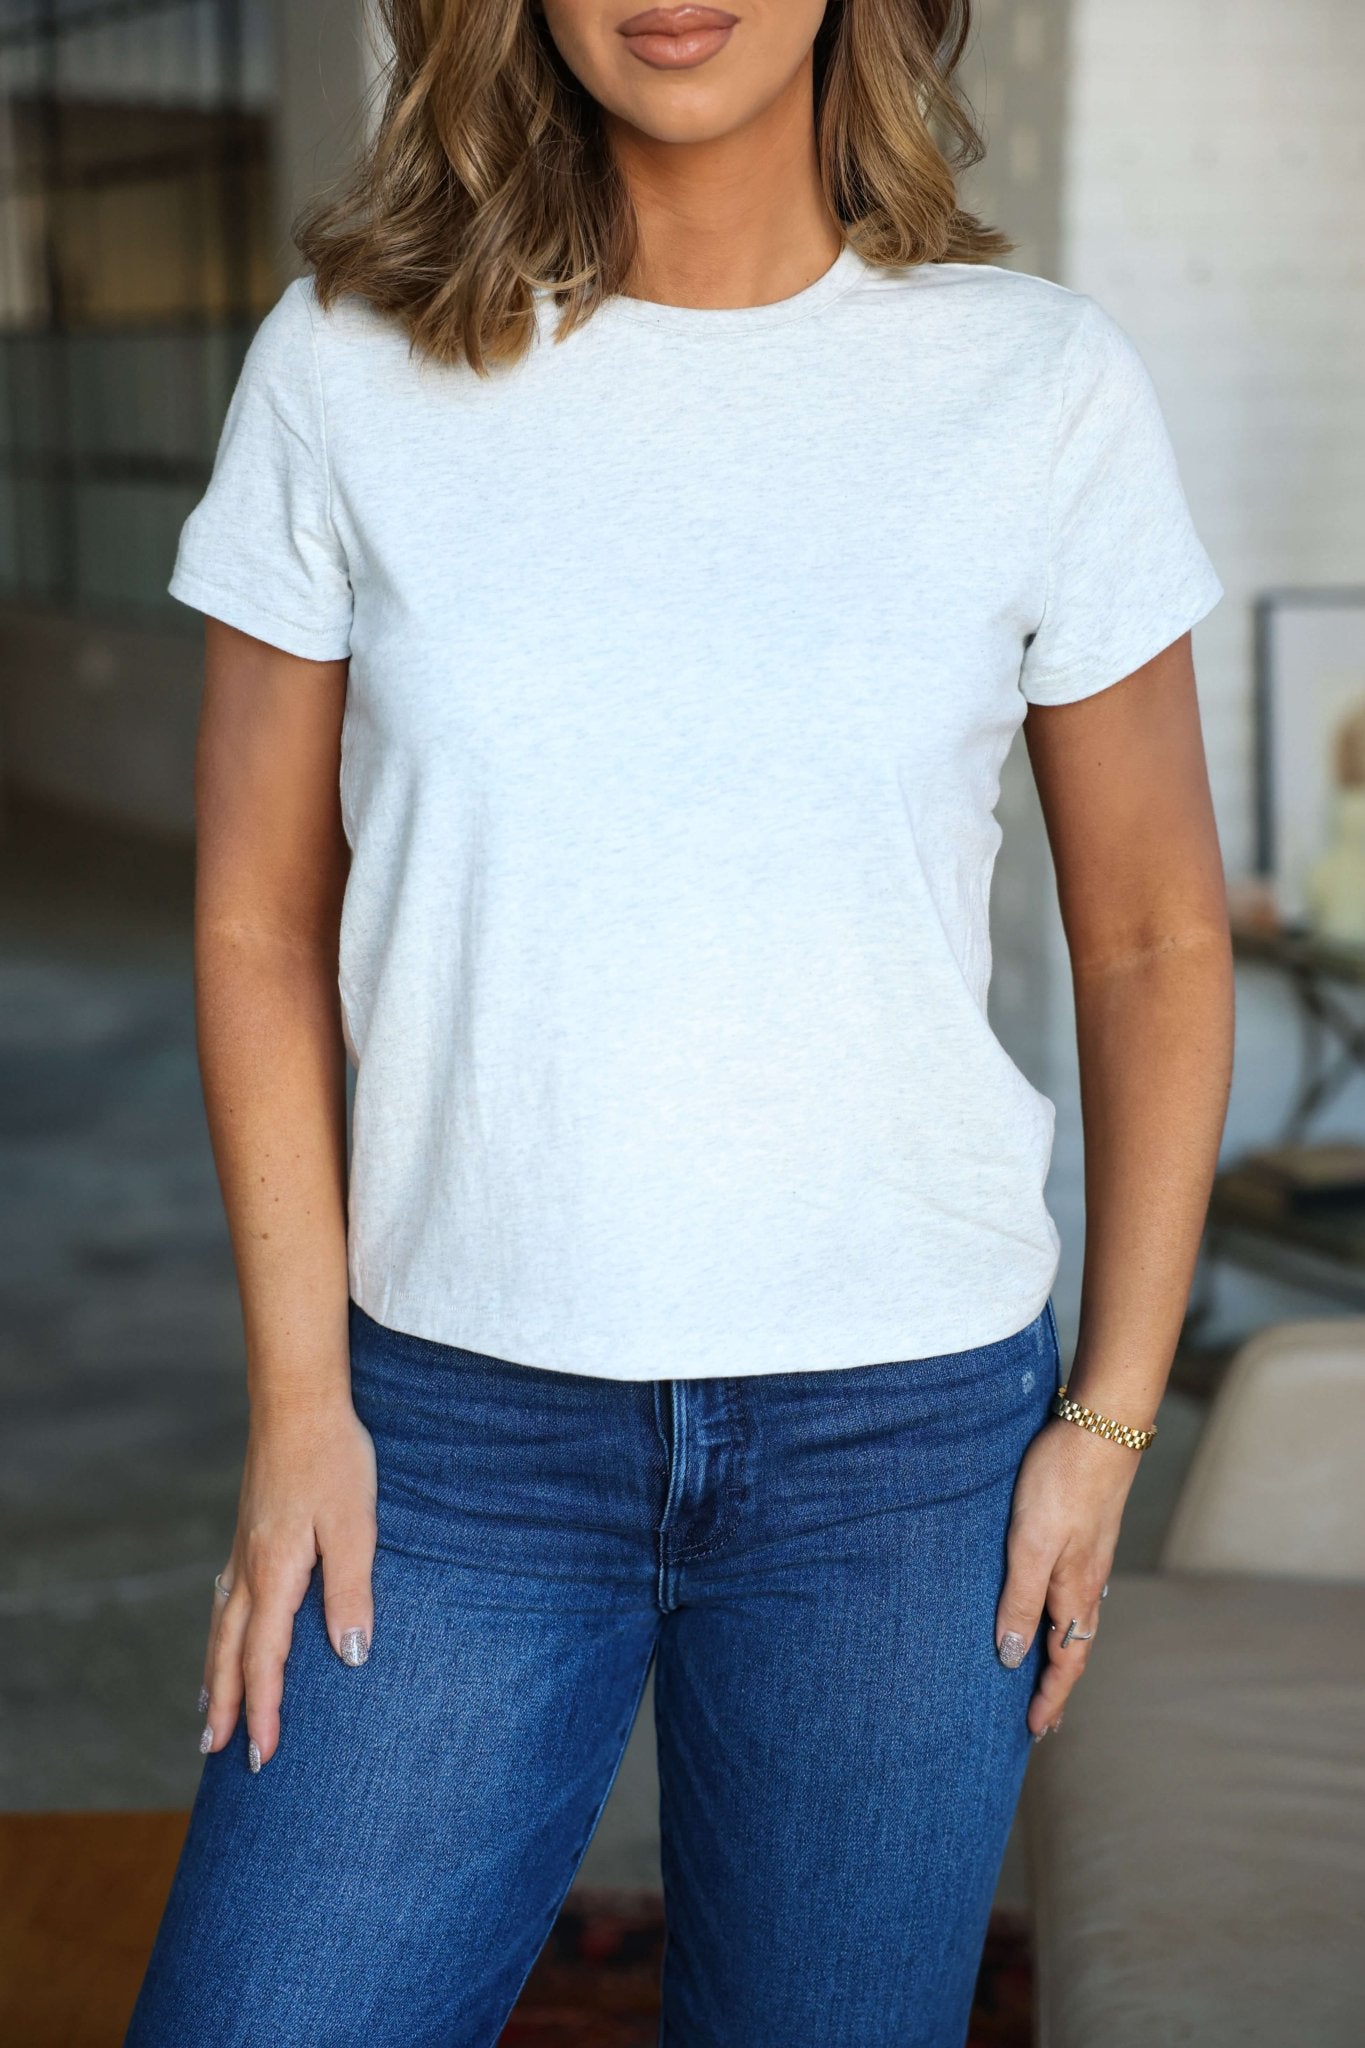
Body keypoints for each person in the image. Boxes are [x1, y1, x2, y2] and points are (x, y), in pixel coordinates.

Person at [125, 2, 1234, 2043]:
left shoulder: (1032, 386)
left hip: (899, 1455)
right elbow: (255, 917)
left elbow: (1157, 936)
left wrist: (1108, 1413)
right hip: (448, 1435)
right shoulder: (343, 369)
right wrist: (298, 1398)